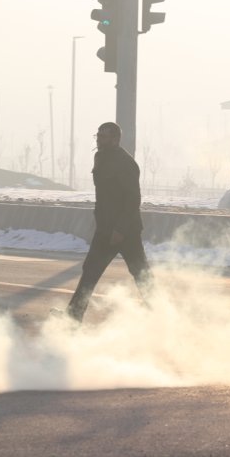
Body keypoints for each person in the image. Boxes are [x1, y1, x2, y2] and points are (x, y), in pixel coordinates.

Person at [63, 122, 152, 322]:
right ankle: (73, 317)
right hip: (105, 230)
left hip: (126, 231)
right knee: (89, 273)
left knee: (141, 274)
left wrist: (120, 229)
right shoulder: (100, 157)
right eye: (98, 135)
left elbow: (132, 200)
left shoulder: (126, 163)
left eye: (104, 136)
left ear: (115, 139)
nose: (99, 139)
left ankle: (160, 316)